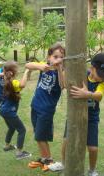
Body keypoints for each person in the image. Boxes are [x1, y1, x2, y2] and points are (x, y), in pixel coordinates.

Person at [48, 53, 104, 176]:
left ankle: (92, 170)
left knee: (93, 148)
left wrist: (87, 94)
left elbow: (99, 96)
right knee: (67, 141)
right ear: (92, 68)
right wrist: (60, 68)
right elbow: (64, 85)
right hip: (74, 115)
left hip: (92, 118)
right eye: (102, 74)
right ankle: (63, 163)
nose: (103, 77)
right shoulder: (81, 75)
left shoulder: (102, 84)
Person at [26, 43, 66, 172]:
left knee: (40, 136)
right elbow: (28, 65)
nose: (58, 60)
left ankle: (48, 160)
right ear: (49, 57)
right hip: (35, 105)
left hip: (46, 109)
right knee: (38, 133)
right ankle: (44, 158)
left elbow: (63, 85)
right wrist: (40, 66)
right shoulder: (44, 66)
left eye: (61, 58)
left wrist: (59, 69)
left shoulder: (62, 72)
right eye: (55, 56)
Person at [0, 61, 32, 160]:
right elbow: (22, 85)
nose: (18, 70)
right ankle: (19, 153)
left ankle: (7, 146)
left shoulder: (7, 80)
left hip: (3, 109)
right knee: (22, 130)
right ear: (12, 72)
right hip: (9, 111)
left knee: (12, 127)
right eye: (16, 69)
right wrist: (26, 72)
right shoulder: (14, 82)